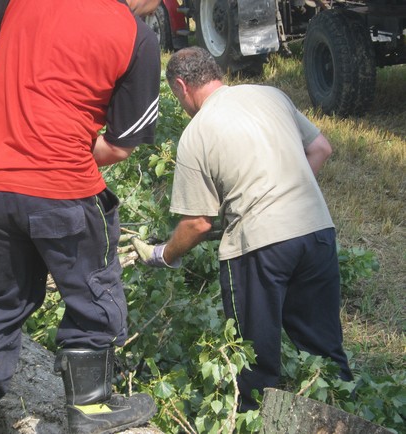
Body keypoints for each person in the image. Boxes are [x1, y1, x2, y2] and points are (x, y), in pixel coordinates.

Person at [0, 0, 162, 432]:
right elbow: (118, 145)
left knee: (2, 302)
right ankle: (91, 410)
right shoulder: (137, 36)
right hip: (63, 188)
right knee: (93, 296)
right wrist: (58, 155)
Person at [133, 46, 353, 411]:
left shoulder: (196, 133)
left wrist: (163, 254)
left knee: (253, 359)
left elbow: (197, 223)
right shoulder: (270, 95)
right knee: (324, 351)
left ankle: (252, 418)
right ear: (215, 72)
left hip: (259, 248)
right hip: (316, 231)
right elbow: (321, 148)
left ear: (181, 86)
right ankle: (345, 414)